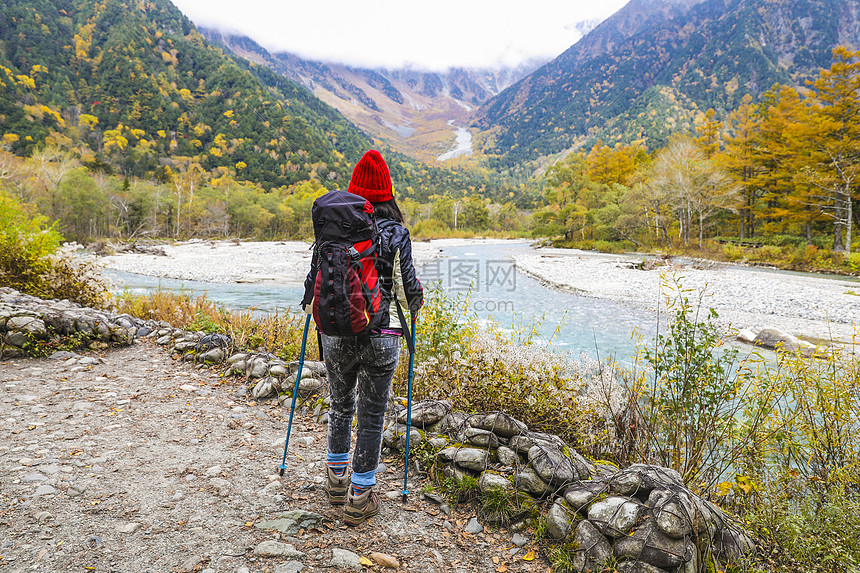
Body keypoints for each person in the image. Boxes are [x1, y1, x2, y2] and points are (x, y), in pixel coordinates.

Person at [302, 149, 423, 526]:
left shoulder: (332, 228)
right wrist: (414, 310)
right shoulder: (396, 232)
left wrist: (316, 313)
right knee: (371, 416)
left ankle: (336, 482)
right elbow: (407, 293)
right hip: (382, 335)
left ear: (355, 189)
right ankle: (360, 495)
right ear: (387, 192)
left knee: (340, 405)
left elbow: (312, 291)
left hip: (336, 333)